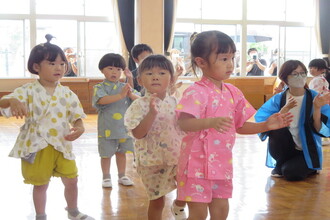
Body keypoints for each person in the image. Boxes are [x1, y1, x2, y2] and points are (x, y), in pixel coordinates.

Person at [175, 30, 292, 220]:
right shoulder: (195, 92)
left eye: (232, 57)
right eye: (223, 59)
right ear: (201, 62)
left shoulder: (233, 92)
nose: (230, 64)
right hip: (195, 165)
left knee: (221, 210)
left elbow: (239, 126)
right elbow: (184, 123)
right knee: (198, 213)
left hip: (221, 163)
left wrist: (266, 126)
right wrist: (210, 122)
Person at [0, 36, 94, 220]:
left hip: (62, 143)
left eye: (62, 63)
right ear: (37, 67)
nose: (59, 67)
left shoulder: (67, 93)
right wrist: (11, 100)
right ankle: (40, 215)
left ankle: (73, 211)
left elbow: (77, 116)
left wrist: (80, 127)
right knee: (41, 184)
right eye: (52, 63)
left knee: (72, 180)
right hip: (38, 144)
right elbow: (2, 103)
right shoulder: (26, 90)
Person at [124, 54, 187, 220]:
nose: (155, 77)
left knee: (187, 190)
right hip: (151, 162)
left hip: (177, 158)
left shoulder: (176, 102)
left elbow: (185, 128)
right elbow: (138, 134)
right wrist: (151, 113)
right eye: (149, 73)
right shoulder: (138, 105)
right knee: (157, 202)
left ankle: (178, 206)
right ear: (139, 80)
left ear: (172, 79)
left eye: (162, 73)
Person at [255, 60, 330, 181]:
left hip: (305, 150)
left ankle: (307, 166)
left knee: (291, 173)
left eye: (302, 73)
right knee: (275, 127)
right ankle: (282, 163)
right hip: (285, 149)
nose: (300, 77)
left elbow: (319, 128)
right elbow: (263, 121)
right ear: (285, 79)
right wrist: (283, 111)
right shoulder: (279, 99)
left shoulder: (315, 97)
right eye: (295, 74)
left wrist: (317, 108)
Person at [92, 53, 140, 188]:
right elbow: (101, 100)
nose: (115, 72)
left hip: (123, 127)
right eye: (110, 68)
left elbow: (136, 98)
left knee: (122, 153)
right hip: (107, 128)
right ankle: (106, 177)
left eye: (118, 69)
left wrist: (130, 81)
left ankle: (122, 175)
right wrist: (120, 95)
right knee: (106, 154)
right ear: (102, 70)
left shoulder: (124, 86)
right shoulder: (99, 87)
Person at [308, 58, 330, 145]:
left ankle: (321, 138)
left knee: (318, 121)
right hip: (323, 104)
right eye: (310, 68)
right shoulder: (321, 79)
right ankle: (323, 138)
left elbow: (315, 94)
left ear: (322, 69)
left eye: (313, 68)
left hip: (320, 105)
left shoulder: (318, 80)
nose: (311, 70)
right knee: (321, 121)